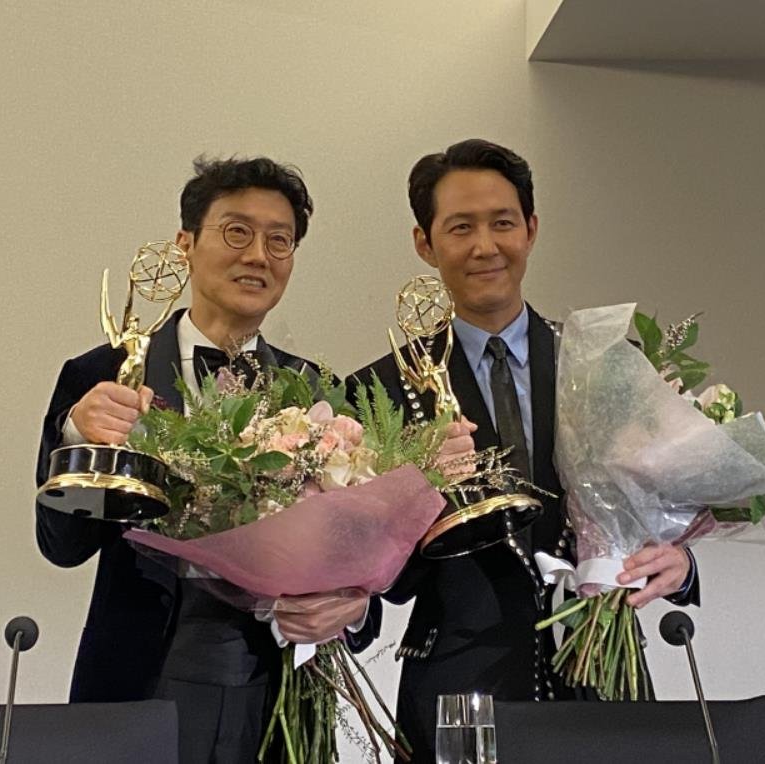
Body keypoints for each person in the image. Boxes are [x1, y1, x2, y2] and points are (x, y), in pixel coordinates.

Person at [348, 139, 700, 762]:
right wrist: (413, 489)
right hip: (456, 686)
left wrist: (679, 561)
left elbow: (656, 510)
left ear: (531, 229)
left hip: (600, 679)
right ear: (425, 243)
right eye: (461, 227)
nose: (485, 246)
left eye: (503, 223)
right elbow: (382, 578)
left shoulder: (606, 364)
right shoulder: (380, 391)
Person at [35, 156, 373, 762]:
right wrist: (78, 435)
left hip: (278, 696)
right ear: (185, 242)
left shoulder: (319, 391)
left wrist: (353, 607)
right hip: (142, 680)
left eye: (279, 240)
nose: (258, 256)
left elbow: (355, 556)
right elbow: (62, 544)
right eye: (237, 232)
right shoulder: (104, 374)